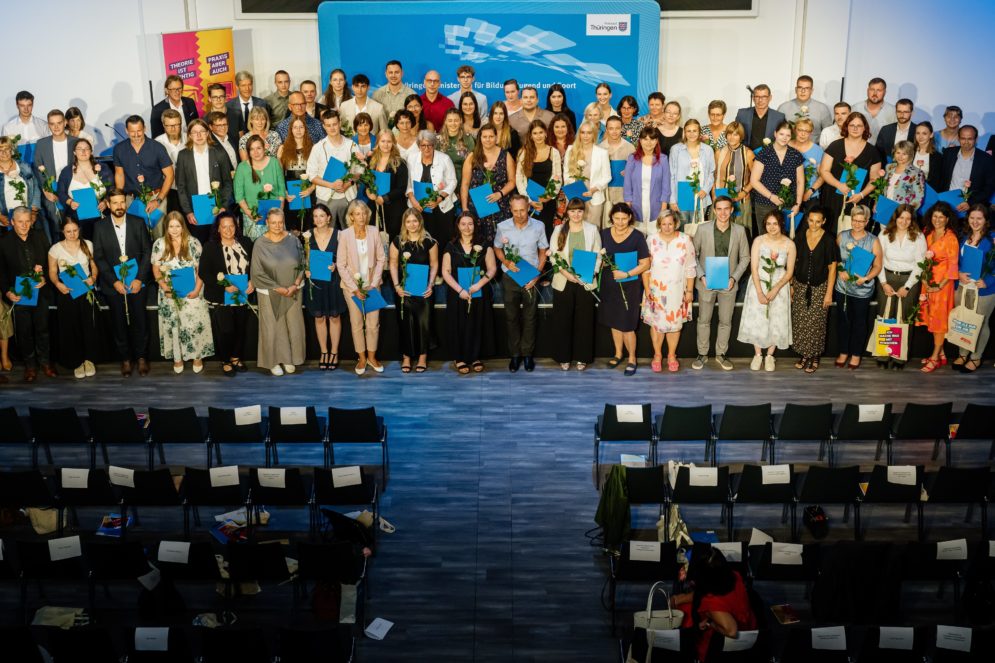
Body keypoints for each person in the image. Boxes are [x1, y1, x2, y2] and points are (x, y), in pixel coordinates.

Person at [93, 189, 152, 376]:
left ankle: (141, 357)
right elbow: (99, 257)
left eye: (122, 202)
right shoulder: (99, 227)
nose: (119, 206)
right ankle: (125, 359)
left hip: (136, 283)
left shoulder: (138, 223)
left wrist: (139, 278)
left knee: (140, 321)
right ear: (108, 205)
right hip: (113, 286)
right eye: (115, 203)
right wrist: (114, 282)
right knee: (118, 323)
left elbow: (147, 252)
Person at [692, 196, 750, 371]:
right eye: (719, 209)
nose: (723, 212)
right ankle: (702, 354)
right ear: (714, 210)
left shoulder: (740, 231)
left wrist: (734, 278)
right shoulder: (702, 229)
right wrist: (701, 276)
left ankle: (720, 354)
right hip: (706, 283)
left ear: (732, 210)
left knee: (725, 321)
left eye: (727, 209)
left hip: (728, 284)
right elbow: (692, 255)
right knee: (704, 320)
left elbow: (745, 258)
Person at [151, 212, 213, 373]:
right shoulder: (159, 243)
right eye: (171, 226)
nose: (174, 229)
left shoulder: (194, 242)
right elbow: (156, 269)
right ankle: (177, 358)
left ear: (183, 226)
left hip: (193, 291)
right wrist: (165, 288)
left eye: (178, 226)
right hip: (169, 293)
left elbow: (202, 269)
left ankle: (197, 355)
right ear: (166, 227)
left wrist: (197, 289)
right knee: (174, 325)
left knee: (193, 324)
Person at [671, 547, 757, 662]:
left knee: (683, 616)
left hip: (722, 647)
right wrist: (681, 599)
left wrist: (711, 623)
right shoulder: (734, 575)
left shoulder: (713, 603)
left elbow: (731, 630)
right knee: (682, 605)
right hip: (750, 628)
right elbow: (705, 589)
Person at [737, 209, 796, 370]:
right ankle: (757, 355)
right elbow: (754, 268)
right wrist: (759, 292)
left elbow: (789, 271)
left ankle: (770, 355)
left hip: (780, 286)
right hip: (759, 283)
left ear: (781, 224)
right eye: (768, 224)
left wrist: (776, 289)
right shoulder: (759, 241)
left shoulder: (789, 244)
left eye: (775, 224)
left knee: (776, 320)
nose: (771, 227)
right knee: (758, 319)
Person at [494, 195, 547, 372]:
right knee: (511, 316)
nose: (519, 214)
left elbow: (543, 251)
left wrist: (537, 276)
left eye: (522, 210)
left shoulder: (539, 226)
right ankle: (515, 355)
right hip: (510, 276)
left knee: (530, 316)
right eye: (515, 211)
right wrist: (506, 262)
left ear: (528, 208)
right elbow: (497, 247)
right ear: (510, 210)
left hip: (531, 276)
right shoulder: (503, 227)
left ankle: (528, 355)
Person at [198, 211, 254, 376]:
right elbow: (204, 273)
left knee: (240, 328)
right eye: (224, 227)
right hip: (221, 295)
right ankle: (225, 360)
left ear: (236, 227)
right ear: (218, 229)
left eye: (231, 226)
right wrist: (224, 285)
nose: (228, 230)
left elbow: (255, 267)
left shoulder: (246, 242)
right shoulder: (210, 247)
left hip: (242, 294)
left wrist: (253, 282)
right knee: (226, 330)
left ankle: (236, 357)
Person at [0, 206, 52, 381]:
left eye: (27, 221)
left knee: (43, 329)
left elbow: (50, 263)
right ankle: (30, 366)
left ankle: (45, 363)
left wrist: (44, 277)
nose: (24, 225)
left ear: (32, 221)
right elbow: (2, 272)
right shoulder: (4, 242)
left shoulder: (41, 237)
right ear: (12, 222)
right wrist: (7, 292)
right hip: (19, 294)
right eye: (20, 222)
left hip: (40, 292)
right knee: (25, 332)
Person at [251, 208, 305, 375]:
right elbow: (256, 272)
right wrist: (278, 288)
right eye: (273, 222)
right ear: (267, 223)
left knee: (294, 326)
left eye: (280, 222)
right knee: (272, 328)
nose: (277, 226)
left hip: (293, 291)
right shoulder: (260, 243)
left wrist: (295, 284)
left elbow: (302, 262)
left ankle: (290, 359)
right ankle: (273, 361)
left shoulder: (293, 240)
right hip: (269, 293)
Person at [549, 198, 601, 370]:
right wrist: (566, 273)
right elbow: (554, 256)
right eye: (572, 211)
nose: (576, 214)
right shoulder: (558, 229)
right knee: (562, 321)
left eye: (579, 211)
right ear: (567, 212)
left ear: (583, 212)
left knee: (584, 321)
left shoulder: (592, 229)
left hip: (585, 281)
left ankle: (582, 357)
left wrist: (589, 274)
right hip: (564, 281)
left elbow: (598, 255)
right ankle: (563, 357)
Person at [441, 211, 497, 373]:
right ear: (458, 226)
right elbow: (446, 271)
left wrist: (478, 285)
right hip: (458, 293)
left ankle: (475, 356)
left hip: (478, 291)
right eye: (463, 224)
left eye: (470, 224)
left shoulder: (485, 245)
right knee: (459, 323)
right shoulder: (450, 246)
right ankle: (459, 358)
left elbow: (492, 268)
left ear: (475, 225)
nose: (467, 227)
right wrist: (460, 290)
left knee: (476, 322)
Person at [641, 209, 696, 373]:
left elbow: (691, 267)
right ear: (659, 225)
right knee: (656, 325)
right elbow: (645, 268)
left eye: (670, 224)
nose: (667, 227)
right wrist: (646, 289)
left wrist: (690, 291)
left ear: (676, 224)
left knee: (674, 324)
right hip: (655, 290)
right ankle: (657, 355)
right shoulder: (651, 240)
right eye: (663, 224)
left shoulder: (685, 240)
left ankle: (671, 355)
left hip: (678, 290)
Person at [598, 203, 649, 374]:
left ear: (629, 218)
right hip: (609, 284)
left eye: (624, 218)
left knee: (627, 324)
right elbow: (599, 258)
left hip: (630, 286)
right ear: (611, 217)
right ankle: (618, 353)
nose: (620, 222)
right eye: (616, 218)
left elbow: (645, 263)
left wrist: (626, 274)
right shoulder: (603, 234)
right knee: (614, 321)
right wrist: (602, 262)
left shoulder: (637, 237)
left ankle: (632, 358)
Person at [337, 200, 386, 375]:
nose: (362, 217)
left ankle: (372, 357)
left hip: (372, 286)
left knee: (373, 324)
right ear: (351, 216)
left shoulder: (374, 232)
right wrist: (354, 288)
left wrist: (373, 284)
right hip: (352, 288)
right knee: (356, 323)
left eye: (364, 213)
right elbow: (341, 265)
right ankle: (362, 358)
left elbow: (381, 259)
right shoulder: (344, 235)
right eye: (357, 213)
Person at [875, 203, 926, 369]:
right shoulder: (884, 234)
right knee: (885, 317)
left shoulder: (918, 237)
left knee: (904, 319)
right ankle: (883, 355)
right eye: (901, 217)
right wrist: (883, 283)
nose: (904, 221)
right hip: (887, 278)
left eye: (908, 218)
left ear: (912, 221)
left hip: (908, 281)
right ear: (895, 218)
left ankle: (899, 357)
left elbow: (920, 264)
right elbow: (878, 261)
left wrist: (908, 286)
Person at [47, 217, 98, 378]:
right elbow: (52, 272)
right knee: (71, 327)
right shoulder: (55, 249)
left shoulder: (88, 244)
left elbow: (93, 265)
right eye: (68, 231)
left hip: (86, 291)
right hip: (66, 292)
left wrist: (93, 278)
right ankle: (77, 361)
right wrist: (57, 284)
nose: (72, 234)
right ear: (63, 231)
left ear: (79, 229)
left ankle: (89, 359)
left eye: (75, 230)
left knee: (87, 325)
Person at [833, 205, 882, 370]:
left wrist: (866, 277)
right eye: (855, 220)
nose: (857, 224)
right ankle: (843, 352)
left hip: (862, 290)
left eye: (861, 221)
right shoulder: (842, 236)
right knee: (843, 321)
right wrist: (841, 270)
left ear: (867, 221)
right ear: (851, 219)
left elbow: (878, 266)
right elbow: (835, 258)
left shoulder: (873, 240)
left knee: (859, 323)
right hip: (843, 288)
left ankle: (856, 354)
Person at [818, 112, 883, 234]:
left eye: (859, 125)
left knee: (856, 235)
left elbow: (874, 179)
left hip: (858, 200)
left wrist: (862, 195)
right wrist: (839, 185)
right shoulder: (835, 146)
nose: (855, 128)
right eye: (852, 125)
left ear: (865, 128)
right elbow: (824, 170)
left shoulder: (872, 151)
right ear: (846, 127)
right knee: (831, 232)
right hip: (833, 198)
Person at [390, 209, 438, 372]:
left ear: (420, 222)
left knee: (424, 323)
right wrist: (397, 286)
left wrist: (431, 285)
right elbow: (393, 264)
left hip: (424, 291)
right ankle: (407, 356)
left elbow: (434, 265)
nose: (412, 224)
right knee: (406, 323)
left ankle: (423, 356)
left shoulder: (430, 242)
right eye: (408, 221)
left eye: (415, 221)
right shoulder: (398, 241)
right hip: (404, 291)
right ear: (404, 223)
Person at [790, 207, 837, 372]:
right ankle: (804, 354)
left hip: (820, 287)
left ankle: (815, 355)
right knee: (801, 321)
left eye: (818, 221)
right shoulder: (800, 236)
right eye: (811, 220)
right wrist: (791, 286)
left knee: (817, 323)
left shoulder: (829, 240)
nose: (814, 224)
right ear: (807, 220)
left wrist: (829, 293)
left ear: (824, 221)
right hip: (800, 285)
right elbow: (793, 262)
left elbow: (832, 268)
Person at [175, 119, 234, 244]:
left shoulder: (219, 153)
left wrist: (223, 206)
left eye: (202, 131)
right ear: (189, 135)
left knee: (218, 244)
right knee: (200, 244)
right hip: (196, 208)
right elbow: (181, 187)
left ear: (208, 133)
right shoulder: (183, 156)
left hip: (217, 206)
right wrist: (188, 211)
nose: (199, 135)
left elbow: (228, 183)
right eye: (194, 132)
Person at [302, 203, 346, 370]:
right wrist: (305, 269)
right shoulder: (306, 236)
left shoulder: (339, 235)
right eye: (315, 216)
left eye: (322, 216)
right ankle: (324, 352)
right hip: (314, 282)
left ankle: (334, 352)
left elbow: (344, 259)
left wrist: (336, 265)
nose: (318, 219)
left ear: (329, 218)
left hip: (333, 281)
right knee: (319, 318)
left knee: (334, 317)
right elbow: (303, 260)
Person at [918, 202, 960, 372]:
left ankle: (934, 357)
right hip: (927, 281)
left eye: (941, 217)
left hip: (943, 285)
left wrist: (939, 286)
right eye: (934, 216)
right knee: (930, 317)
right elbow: (921, 257)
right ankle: (941, 354)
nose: (937, 220)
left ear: (947, 219)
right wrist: (925, 280)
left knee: (939, 320)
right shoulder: (927, 232)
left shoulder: (951, 238)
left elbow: (953, 266)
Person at [953, 205, 995, 373]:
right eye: (972, 218)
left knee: (981, 323)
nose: (975, 222)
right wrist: (958, 273)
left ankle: (976, 357)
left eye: (979, 218)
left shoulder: (991, 240)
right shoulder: (964, 236)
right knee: (964, 321)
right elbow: (955, 261)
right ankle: (963, 354)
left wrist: (988, 281)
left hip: (984, 290)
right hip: (963, 287)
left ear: (985, 221)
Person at [461, 123, 516, 246]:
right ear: (480, 138)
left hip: (501, 206)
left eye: (491, 136)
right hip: (477, 208)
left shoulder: (505, 155)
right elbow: (465, 184)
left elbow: (512, 181)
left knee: (502, 241)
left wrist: (500, 194)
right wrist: (465, 208)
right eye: (484, 136)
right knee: (479, 242)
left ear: (496, 138)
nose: (488, 139)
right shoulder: (472, 156)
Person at [112, 115, 173, 224]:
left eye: (139, 131)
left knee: (159, 234)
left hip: (156, 198)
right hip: (131, 200)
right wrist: (120, 200)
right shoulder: (119, 149)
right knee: (136, 236)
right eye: (132, 131)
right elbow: (119, 175)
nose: (136, 135)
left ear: (144, 129)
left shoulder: (157, 147)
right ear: (126, 131)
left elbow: (170, 175)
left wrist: (158, 200)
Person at [306, 110, 359, 229]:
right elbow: (311, 175)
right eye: (328, 125)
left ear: (340, 123)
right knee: (327, 234)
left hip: (348, 196)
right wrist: (331, 185)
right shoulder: (318, 148)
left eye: (334, 124)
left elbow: (359, 171)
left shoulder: (351, 145)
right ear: (324, 126)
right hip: (325, 198)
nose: (332, 128)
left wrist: (348, 184)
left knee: (350, 233)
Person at [750, 121, 804, 236]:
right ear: (775, 134)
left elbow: (800, 181)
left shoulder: (795, 155)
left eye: (788, 135)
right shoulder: (764, 154)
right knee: (765, 238)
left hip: (788, 204)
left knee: (786, 238)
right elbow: (754, 181)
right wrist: (771, 196)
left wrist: (798, 204)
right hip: (765, 203)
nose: (784, 138)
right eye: (781, 134)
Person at [33, 109, 78, 241]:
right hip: (51, 190)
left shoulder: (75, 141)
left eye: (59, 123)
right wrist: (45, 190)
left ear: (65, 123)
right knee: (56, 225)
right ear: (48, 125)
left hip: (72, 189)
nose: (56, 127)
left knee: (74, 225)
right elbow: (37, 168)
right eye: (52, 124)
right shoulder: (42, 144)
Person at [406, 129, 458, 244]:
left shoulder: (445, 159)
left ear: (434, 145)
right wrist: (413, 201)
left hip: (442, 207)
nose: (426, 148)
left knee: (442, 240)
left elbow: (453, 181)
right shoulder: (411, 158)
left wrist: (439, 198)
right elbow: (408, 183)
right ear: (419, 145)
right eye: (423, 145)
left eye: (429, 145)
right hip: (418, 207)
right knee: (421, 240)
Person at [57, 138, 112, 241]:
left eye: (86, 148)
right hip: (76, 216)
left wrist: (105, 201)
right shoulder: (66, 171)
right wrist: (70, 202)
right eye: (79, 149)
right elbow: (61, 192)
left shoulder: (103, 168)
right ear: (74, 152)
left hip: (100, 214)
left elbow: (111, 189)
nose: (83, 151)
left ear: (91, 152)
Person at [234, 134, 286, 240]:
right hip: (253, 218)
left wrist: (279, 213)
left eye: (258, 148)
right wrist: (250, 214)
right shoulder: (242, 167)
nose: (256, 152)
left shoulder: (274, 163)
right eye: (252, 149)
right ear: (248, 151)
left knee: (277, 248)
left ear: (264, 148)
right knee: (257, 250)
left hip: (275, 218)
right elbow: (239, 196)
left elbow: (281, 190)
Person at [516, 120, 562, 239]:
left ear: (546, 133)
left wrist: (547, 197)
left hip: (547, 200)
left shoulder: (553, 152)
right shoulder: (524, 152)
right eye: (535, 133)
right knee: (530, 234)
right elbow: (519, 179)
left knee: (546, 232)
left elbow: (557, 177)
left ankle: (546, 257)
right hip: (530, 201)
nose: (538, 136)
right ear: (530, 136)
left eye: (541, 132)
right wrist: (529, 200)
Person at [669, 119, 716, 227]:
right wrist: (672, 199)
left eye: (694, 131)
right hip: (681, 196)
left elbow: (711, 172)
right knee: (682, 230)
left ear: (699, 132)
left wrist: (705, 190)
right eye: (688, 131)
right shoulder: (676, 149)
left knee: (698, 230)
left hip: (701, 195)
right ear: (684, 132)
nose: (691, 134)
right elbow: (672, 175)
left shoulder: (708, 150)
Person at [623, 126, 670, 235]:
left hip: (656, 205)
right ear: (640, 140)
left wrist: (663, 208)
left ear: (657, 141)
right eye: (645, 139)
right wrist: (628, 206)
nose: (648, 142)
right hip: (635, 204)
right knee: (637, 237)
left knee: (655, 238)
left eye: (652, 139)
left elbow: (666, 185)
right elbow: (627, 184)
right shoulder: (632, 158)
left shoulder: (663, 159)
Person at [937, 125, 995, 213]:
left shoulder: (986, 159)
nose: (966, 142)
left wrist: (970, 203)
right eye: (963, 138)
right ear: (958, 138)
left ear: (976, 139)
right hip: (946, 205)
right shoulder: (948, 153)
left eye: (970, 139)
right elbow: (940, 179)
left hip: (972, 209)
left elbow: (988, 187)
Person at [564, 121, 611, 227]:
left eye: (589, 133)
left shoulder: (602, 153)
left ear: (594, 134)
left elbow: (607, 177)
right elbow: (566, 174)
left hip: (594, 199)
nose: (585, 136)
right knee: (575, 227)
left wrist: (594, 189)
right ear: (579, 133)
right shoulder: (571, 150)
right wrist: (576, 189)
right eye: (583, 132)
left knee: (593, 230)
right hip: (575, 197)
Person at [368, 130, 409, 240]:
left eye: (389, 141)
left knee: (393, 239)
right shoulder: (371, 161)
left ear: (393, 143)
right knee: (376, 238)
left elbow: (402, 188)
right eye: (383, 141)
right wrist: (368, 191)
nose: (386, 145)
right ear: (377, 143)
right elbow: (367, 182)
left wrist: (384, 198)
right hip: (375, 206)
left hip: (394, 208)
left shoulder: (400, 163)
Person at [277, 116, 317, 232]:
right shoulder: (283, 148)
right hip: (291, 192)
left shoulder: (313, 148)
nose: (298, 130)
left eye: (301, 127)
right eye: (295, 127)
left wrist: (311, 188)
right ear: (291, 130)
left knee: (308, 227)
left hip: (308, 191)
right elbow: (280, 174)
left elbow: (318, 172)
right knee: (293, 228)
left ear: (305, 129)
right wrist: (284, 192)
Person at [714, 122, 754, 235]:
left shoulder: (748, 153)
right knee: (721, 233)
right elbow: (714, 175)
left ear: (741, 136)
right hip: (721, 199)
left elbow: (756, 178)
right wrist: (713, 195)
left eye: (736, 134)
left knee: (740, 233)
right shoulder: (719, 152)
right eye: (729, 134)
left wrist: (744, 192)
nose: (732, 137)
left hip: (741, 199)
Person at [735, 84, 787, 151]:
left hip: (769, 157)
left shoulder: (779, 117)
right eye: (757, 97)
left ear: (770, 98)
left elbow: (783, 139)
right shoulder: (742, 114)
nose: (760, 100)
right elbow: (735, 135)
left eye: (764, 97)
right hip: (745, 156)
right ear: (753, 98)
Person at [599, 116, 636, 211]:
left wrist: (630, 171)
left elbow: (636, 171)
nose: (614, 131)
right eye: (611, 128)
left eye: (617, 128)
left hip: (624, 192)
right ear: (606, 129)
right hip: (605, 192)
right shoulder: (600, 148)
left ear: (622, 128)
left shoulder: (630, 148)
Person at [788, 118, 824, 208]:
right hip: (788, 194)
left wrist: (810, 191)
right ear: (794, 130)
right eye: (800, 130)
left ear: (811, 133)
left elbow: (823, 175)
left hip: (809, 196)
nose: (803, 134)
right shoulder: (786, 145)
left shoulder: (818, 151)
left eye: (807, 131)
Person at [438, 108, 475, 192]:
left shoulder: (468, 139)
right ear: (445, 122)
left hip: (463, 183)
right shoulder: (437, 141)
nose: (453, 123)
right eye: (450, 120)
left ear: (461, 121)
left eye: (456, 120)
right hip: (443, 184)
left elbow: (473, 164)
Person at [880, 141, 925, 209]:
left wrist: (905, 212)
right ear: (894, 153)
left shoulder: (917, 173)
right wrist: (877, 203)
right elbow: (882, 189)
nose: (900, 156)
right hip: (885, 208)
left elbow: (919, 198)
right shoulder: (889, 167)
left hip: (902, 213)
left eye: (904, 154)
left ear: (910, 155)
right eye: (898, 153)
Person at [851, 77, 895, 143]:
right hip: (857, 150)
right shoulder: (855, 108)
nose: (875, 93)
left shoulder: (893, 111)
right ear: (867, 90)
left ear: (885, 92)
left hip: (882, 152)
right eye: (872, 89)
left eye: (879, 90)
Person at [205, 84, 241, 154]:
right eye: (215, 97)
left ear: (225, 98)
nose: (218, 100)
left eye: (221, 96)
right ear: (209, 99)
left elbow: (241, 137)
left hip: (237, 157)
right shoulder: (205, 120)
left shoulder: (237, 114)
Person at [913, 122, 943, 190]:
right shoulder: (910, 152)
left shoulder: (937, 157)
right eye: (918, 133)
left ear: (931, 135)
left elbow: (937, 182)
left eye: (924, 133)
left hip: (928, 192)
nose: (920, 137)